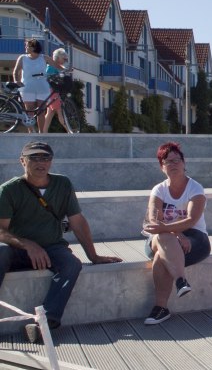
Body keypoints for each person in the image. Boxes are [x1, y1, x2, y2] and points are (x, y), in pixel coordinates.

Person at [0, 141, 121, 344]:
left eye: (45, 158)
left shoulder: (62, 184)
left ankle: (44, 323)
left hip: (52, 247)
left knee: (72, 264)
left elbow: (77, 221)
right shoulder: (9, 190)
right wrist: (28, 244)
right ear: (22, 161)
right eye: (34, 158)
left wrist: (93, 256)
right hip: (18, 250)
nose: (41, 163)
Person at [141, 142, 211, 326]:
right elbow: (154, 221)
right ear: (161, 167)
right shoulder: (159, 190)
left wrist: (175, 232)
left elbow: (191, 220)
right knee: (164, 238)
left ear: (183, 163)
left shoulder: (195, 188)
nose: (173, 164)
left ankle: (160, 308)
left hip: (195, 238)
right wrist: (177, 234)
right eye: (168, 161)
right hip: (161, 238)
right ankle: (181, 280)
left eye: (176, 160)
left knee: (161, 256)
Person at [12, 38, 51, 133]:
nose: (25, 47)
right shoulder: (23, 58)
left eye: (27, 46)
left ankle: (41, 133)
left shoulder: (44, 57)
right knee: (29, 111)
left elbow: (56, 65)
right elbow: (16, 71)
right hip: (27, 88)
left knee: (41, 112)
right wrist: (16, 81)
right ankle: (31, 132)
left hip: (42, 88)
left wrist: (65, 69)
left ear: (33, 47)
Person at [42, 48, 76, 134]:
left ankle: (43, 132)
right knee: (60, 111)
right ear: (57, 58)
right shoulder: (51, 67)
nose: (65, 61)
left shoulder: (53, 66)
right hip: (53, 91)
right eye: (64, 59)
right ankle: (69, 131)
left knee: (50, 113)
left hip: (51, 91)